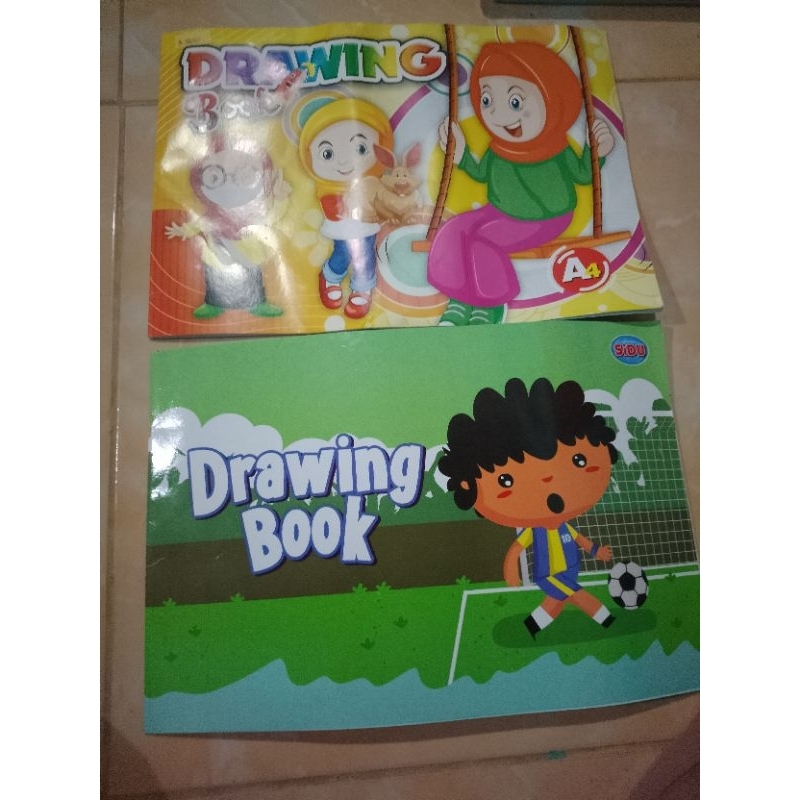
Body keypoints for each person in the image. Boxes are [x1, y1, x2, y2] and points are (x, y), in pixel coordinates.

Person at [428, 42, 614, 325]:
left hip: (546, 218)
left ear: (553, 101)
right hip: (500, 212)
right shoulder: (497, 149)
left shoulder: (556, 148)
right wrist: (462, 155)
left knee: (482, 240)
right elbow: (481, 174)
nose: (498, 115)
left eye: (515, 102)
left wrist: (597, 152)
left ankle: (491, 303)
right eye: (487, 101)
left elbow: (583, 175)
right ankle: (460, 300)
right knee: (455, 230)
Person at [438, 377, 617, 638]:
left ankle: (530, 629)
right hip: (549, 573)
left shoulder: (563, 526)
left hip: (571, 568)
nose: (547, 480)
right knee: (576, 594)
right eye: (506, 480)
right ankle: (608, 621)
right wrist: (511, 569)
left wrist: (596, 550)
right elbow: (517, 548)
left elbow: (579, 539)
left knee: (556, 602)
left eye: (579, 460)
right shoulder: (536, 531)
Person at [297, 96, 394, 319]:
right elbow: (334, 209)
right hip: (345, 227)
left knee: (366, 254)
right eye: (327, 154)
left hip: (368, 226)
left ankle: (362, 287)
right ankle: (330, 276)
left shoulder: (375, 182)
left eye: (360, 148)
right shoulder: (327, 190)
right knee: (343, 252)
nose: (343, 162)